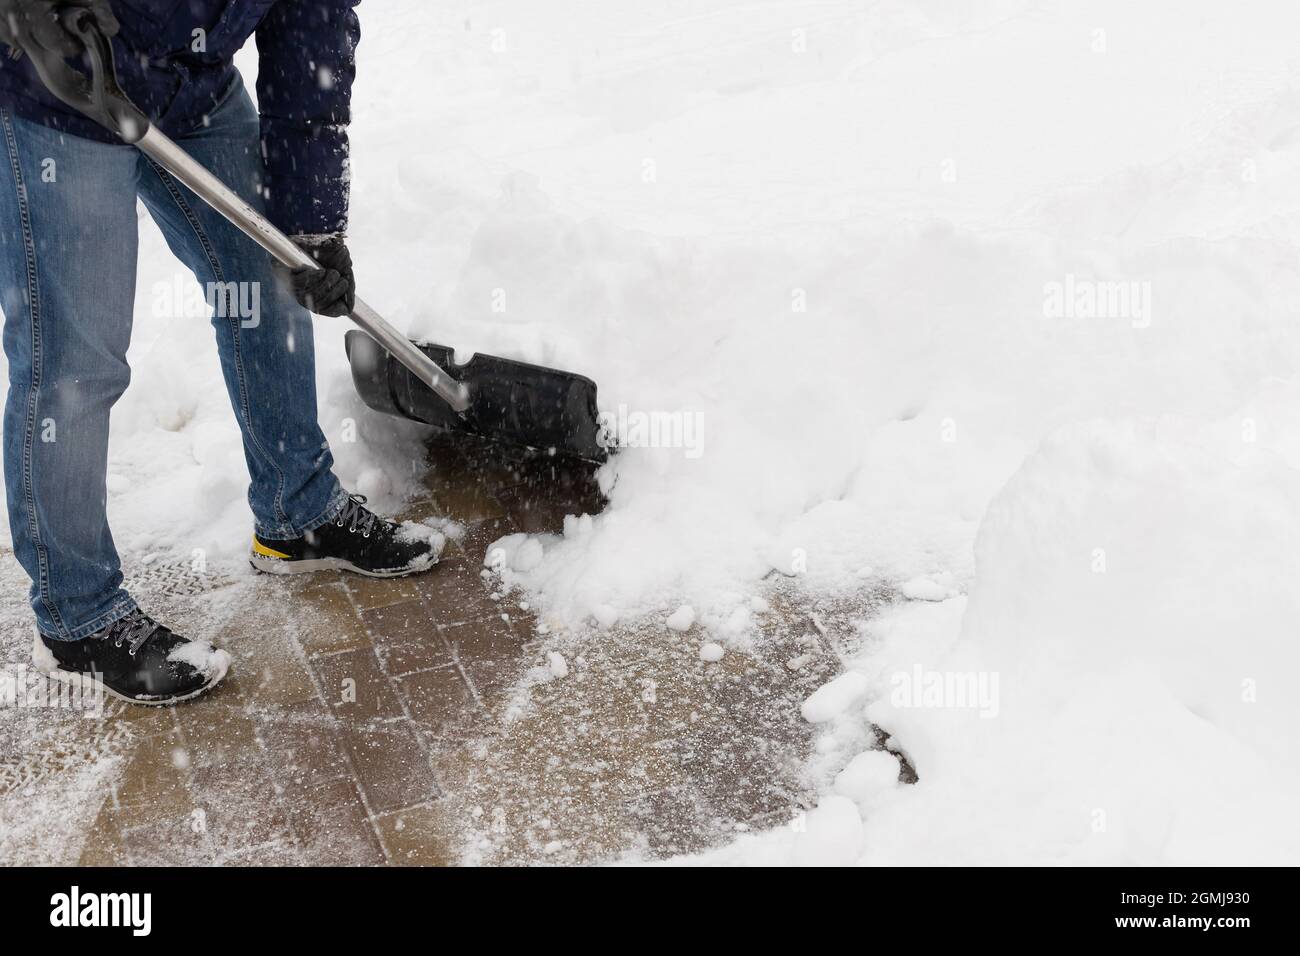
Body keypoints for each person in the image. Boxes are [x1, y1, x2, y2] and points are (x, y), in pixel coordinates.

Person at [0, 0, 441, 706]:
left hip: (191, 86)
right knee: (75, 366)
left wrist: (313, 224)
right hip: (58, 83)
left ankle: (298, 514)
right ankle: (77, 615)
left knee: (267, 283)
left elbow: (312, 39)